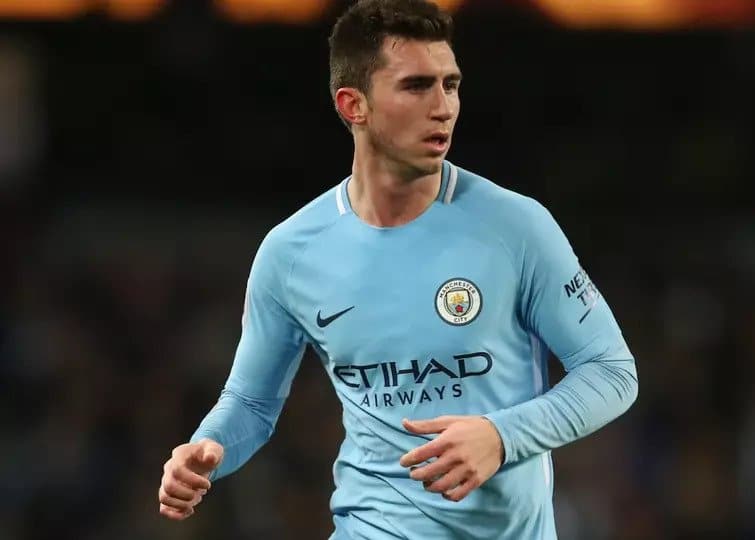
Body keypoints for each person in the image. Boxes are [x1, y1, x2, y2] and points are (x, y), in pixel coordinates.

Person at [157, 0, 638, 537]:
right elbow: (250, 402)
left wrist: (502, 436)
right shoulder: (290, 253)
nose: (444, 107)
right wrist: (207, 448)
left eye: (450, 85)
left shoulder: (516, 226)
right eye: (416, 86)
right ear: (353, 105)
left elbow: (611, 371)